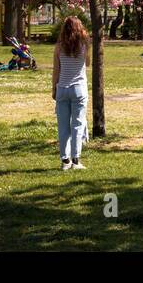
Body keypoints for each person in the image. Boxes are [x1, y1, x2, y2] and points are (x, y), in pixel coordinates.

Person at [52, 16, 90, 170]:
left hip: (62, 88)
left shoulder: (59, 47)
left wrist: (53, 88)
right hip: (79, 89)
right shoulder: (84, 45)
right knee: (78, 124)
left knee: (63, 126)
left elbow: (56, 70)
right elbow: (87, 63)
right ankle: (75, 159)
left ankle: (65, 160)